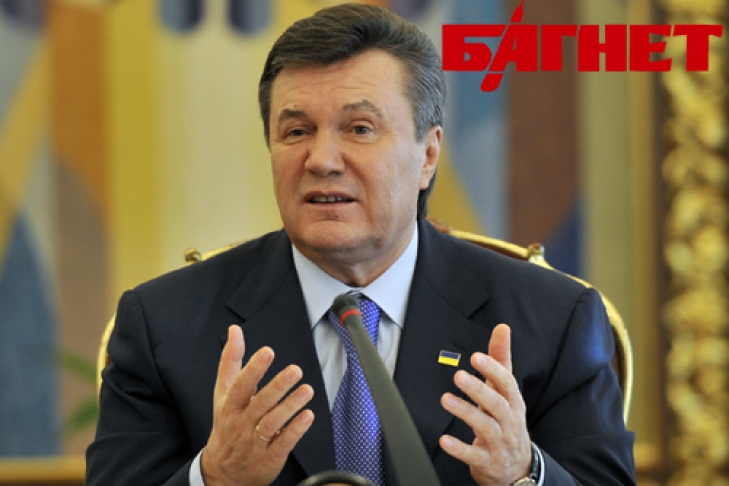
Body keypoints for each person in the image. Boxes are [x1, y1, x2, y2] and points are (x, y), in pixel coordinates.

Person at [86, 3, 636, 485]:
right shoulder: (165, 326)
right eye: (296, 132)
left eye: (360, 129)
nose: (321, 160)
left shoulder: (551, 320)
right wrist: (214, 478)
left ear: (427, 155)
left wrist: (525, 473)